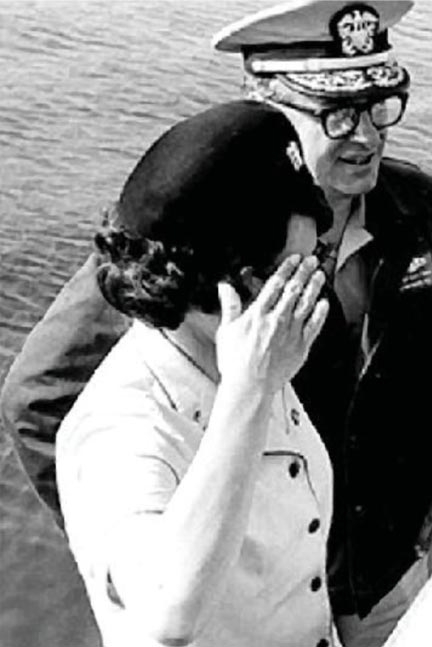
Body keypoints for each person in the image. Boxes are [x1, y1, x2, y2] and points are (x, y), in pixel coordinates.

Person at [2, 1, 432, 644]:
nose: (366, 136)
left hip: (384, 559)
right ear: (269, 113)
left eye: (380, 106)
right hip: (247, 586)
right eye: (337, 113)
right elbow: (40, 397)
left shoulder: (416, 205)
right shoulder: (183, 235)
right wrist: (137, 544)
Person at [58, 100, 336, 646]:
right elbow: (165, 614)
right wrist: (248, 392)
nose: (306, 294)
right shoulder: (122, 427)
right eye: (283, 279)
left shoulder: (246, 350)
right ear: (211, 285)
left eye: (314, 264)